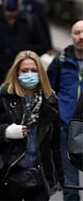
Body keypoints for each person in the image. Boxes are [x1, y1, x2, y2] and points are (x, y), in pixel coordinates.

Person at [0, 50, 65, 200]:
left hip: (39, 176)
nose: (29, 74)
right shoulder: (2, 97)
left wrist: (59, 177)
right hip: (8, 174)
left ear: (41, 73)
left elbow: (55, 144)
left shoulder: (50, 101)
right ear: (16, 72)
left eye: (34, 71)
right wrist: (5, 132)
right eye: (24, 70)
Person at [47, 19, 83, 200]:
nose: (81, 37)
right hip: (67, 131)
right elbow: (49, 94)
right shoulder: (60, 62)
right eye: (77, 33)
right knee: (71, 184)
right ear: (71, 36)